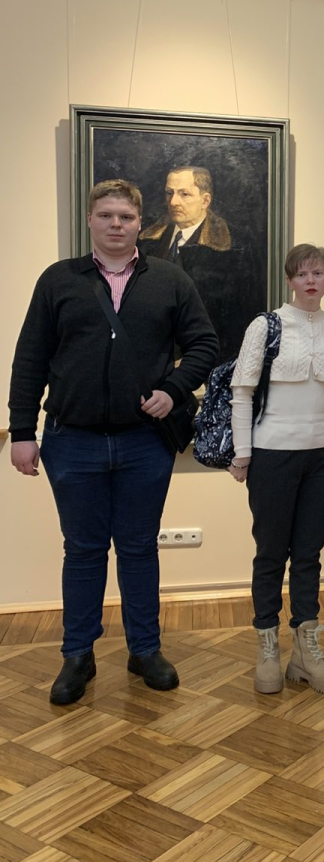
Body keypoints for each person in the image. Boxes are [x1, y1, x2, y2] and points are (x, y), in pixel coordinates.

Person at [8, 179, 218, 705]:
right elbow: (30, 359)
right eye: (106, 215)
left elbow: (205, 344)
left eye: (125, 216)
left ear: (139, 222)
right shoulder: (59, 280)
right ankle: (77, 655)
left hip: (143, 442)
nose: (116, 224)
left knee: (139, 548)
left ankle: (144, 649)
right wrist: (22, 432)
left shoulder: (169, 280)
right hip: (71, 441)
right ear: (90, 220)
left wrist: (173, 390)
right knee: (82, 551)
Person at [229, 243, 324, 696]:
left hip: (321, 455)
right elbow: (242, 392)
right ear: (289, 280)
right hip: (272, 453)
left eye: (318, 273)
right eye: (302, 274)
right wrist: (243, 453)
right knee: (270, 553)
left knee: (308, 554)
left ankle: (305, 652)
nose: (310, 281)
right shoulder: (265, 326)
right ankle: (268, 648)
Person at [140, 165, 261, 360]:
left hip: (208, 361)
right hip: (153, 360)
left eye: (184, 194)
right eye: (169, 193)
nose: (174, 202)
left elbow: (241, 317)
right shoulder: (146, 241)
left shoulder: (235, 247)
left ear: (205, 200)